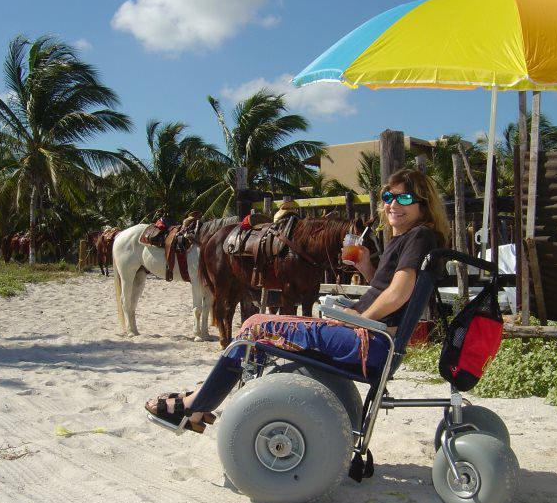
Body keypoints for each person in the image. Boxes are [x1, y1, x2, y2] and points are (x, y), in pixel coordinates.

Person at [145, 168, 450, 433]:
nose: (393, 205)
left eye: (405, 199)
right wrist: (367, 267)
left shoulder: (419, 236)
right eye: (388, 197)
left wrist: (360, 321)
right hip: (371, 338)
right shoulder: (411, 238)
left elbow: (399, 294)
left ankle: (195, 404)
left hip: (367, 341)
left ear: (424, 205)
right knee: (258, 328)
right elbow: (387, 289)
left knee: (252, 327)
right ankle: (201, 398)